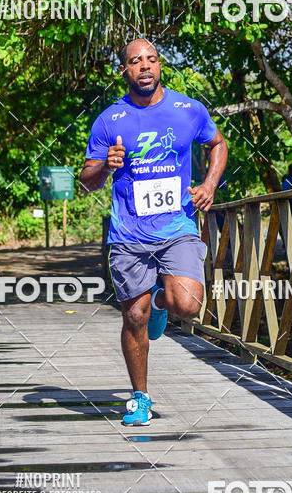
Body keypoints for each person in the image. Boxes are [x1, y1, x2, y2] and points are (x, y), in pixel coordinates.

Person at [80, 38, 228, 426]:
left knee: (187, 305)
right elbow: (86, 181)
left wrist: (209, 185)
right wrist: (106, 166)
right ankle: (140, 398)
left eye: (151, 60)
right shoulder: (110, 120)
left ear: (160, 66)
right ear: (124, 71)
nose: (144, 66)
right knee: (134, 315)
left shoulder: (187, 110)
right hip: (128, 233)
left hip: (176, 225)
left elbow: (218, 144)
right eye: (135, 61)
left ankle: (163, 304)